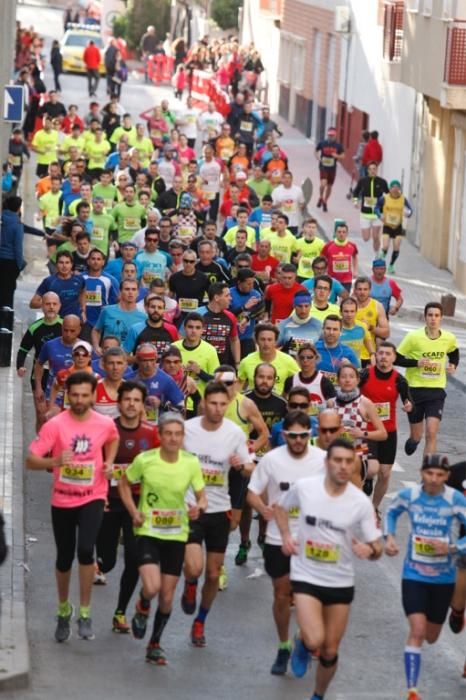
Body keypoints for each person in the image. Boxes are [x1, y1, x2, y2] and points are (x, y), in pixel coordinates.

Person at [274, 439, 382, 699]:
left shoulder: (359, 502)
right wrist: (287, 535)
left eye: (349, 461)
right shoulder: (306, 488)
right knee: (314, 641)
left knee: (330, 650)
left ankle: (318, 695)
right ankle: (302, 640)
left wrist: (371, 550)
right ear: (326, 463)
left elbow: (375, 545)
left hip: (340, 581)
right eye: (338, 460)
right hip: (306, 575)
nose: (343, 466)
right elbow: (279, 507)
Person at [26, 372, 119, 642]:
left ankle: (86, 613)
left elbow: (112, 438)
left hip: (93, 496)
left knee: (86, 550)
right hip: (63, 498)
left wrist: (108, 462)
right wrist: (54, 463)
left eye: (84, 395)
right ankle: (64, 609)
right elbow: (31, 460)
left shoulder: (104, 423)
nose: (79, 400)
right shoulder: (55, 425)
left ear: (93, 395)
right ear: (68, 395)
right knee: (64, 557)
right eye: (74, 395)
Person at [119, 411, 207, 664]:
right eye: (168, 433)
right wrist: (134, 511)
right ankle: (143, 603)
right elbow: (124, 483)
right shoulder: (145, 460)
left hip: (176, 534)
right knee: (152, 587)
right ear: (159, 435)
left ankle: (155, 643)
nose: (173, 438)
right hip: (148, 531)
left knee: (167, 597)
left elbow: (202, 496)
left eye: (178, 434)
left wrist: (198, 507)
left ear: (183, 437)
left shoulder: (190, 463)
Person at [247, 411, 325, 675]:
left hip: (313, 540)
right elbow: (252, 493)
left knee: (311, 596)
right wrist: (263, 507)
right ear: (284, 435)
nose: (299, 441)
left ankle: (302, 640)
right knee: (282, 594)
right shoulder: (271, 460)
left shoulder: (323, 460)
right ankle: (283, 645)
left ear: (310, 435)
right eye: (293, 436)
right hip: (277, 537)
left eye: (304, 435)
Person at [384, 453, 466, 700]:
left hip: (445, 575)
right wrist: (388, 537)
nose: (433, 479)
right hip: (415, 574)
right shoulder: (413, 496)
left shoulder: (456, 500)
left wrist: (451, 548)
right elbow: (391, 511)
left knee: (431, 636)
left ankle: (455, 612)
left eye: (439, 475)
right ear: (422, 473)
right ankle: (412, 691)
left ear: (445, 477)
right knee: (418, 631)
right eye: (429, 473)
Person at [180, 382, 254, 647]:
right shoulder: (187, 430)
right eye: (213, 403)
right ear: (204, 404)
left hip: (219, 508)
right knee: (194, 567)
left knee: (213, 574)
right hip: (190, 507)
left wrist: (240, 466)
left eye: (223, 404)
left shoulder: (234, 433)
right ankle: (190, 582)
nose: (218, 409)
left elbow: (249, 468)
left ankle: (200, 620)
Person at [95, 381, 160, 631]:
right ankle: (99, 563)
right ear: (119, 403)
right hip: (109, 501)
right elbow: (93, 465)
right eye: (127, 399)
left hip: (137, 504)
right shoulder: (106, 430)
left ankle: (120, 612)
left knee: (133, 558)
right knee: (108, 561)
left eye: (136, 400)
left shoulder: (150, 434)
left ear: (142, 404)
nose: (131, 404)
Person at [396, 302, 459, 457]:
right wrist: (416, 363)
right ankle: (413, 440)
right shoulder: (413, 337)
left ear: (441, 318)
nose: (433, 319)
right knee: (417, 436)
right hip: (415, 390)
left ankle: (427, 474)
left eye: (436, 315)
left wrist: (453, 365)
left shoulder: (448, 338)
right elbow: (396, 358)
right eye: (430, 315)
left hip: (436, 391)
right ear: (425, 317)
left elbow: (454, 352)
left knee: (431, 433)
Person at [360, 342, 412, 513]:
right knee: (371, 469)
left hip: (388, 431)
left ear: (394, 358)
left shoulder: (399, 380)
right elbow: (353, 393)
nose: (383, 357)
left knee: (385, 473)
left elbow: (408, 400)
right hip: (366, 430)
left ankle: (374, 508)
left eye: (388, 354)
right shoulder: (366, 374)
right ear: (376, 356)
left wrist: (408, 406)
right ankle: (367, 479)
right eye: (380, 353)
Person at [335, 363, 387, 493]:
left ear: (357, 380)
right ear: (338, 380)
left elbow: (383, 434)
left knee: (352, 496)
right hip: (335, 455)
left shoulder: (365, 403)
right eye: (344, 377)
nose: (347, 380)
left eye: (351, 376)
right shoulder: (331, 402)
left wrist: (362, 433)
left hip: (358, 453)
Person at [16, 292, 62, 429]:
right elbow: (23, 349)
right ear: (42, 306)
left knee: (57, 416)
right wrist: (20, 366)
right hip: (40, 374)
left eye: (54, 304)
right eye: (48, 304)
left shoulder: (65, 326)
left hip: (60, 375)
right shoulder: (35, 328)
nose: (51, 307)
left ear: (59, 306)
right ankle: (41, 448)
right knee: (42, 415)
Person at [127, 343, 184, 423]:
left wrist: (161, 404)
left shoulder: (166, 380)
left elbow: (181, 408)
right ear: (138, 360)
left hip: (158, 429)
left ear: (156, 359)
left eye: (151, 360)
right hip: (133, 427)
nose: (148, 364)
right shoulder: (128, 380)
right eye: (145, 360)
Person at [238, 322, 299, 395]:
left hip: (278, 404)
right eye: (262, 339)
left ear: (275, 342)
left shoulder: (288, 361)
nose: (266, 344)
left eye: (269, 340)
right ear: (256, 341)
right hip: (253, 404)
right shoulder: (246, 361)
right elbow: (238, 387)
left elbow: (301, 382)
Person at [91, 278, 147, 350]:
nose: (130, 292)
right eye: (127, 289)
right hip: (109, 355)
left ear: (138, 293)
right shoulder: (107, 311)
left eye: (133, 289)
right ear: (120, 292)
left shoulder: (143, 317)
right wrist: (96, 347)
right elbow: (96, 330)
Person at [283, 342, 336, 412]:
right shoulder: (290, 381)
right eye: (302, 357)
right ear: (298, 359)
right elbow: (283, 403)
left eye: (309, 357)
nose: (305, 361)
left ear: (316, 358)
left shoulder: (325, 383)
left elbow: (334, 407)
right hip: (295, 421)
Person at [375, 179, 413, 274]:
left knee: (396, 248)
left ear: (399, 189)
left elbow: (410, 210)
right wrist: (380, 215)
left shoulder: (403, 199)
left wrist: (408, 213)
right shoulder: (385, 198)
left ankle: (391, 266)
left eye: (397, 187)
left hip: (398, 227)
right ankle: (380, 258)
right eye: (393, 187)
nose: (395, 189)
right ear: (390, 188)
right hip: (387, 225)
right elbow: (376, 208)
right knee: (386, 246)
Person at [352, 161, 388, 254]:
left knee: (376, 237)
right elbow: (355, 192)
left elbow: (388, 195)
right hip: (365, 214)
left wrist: (386, 206)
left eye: (374, 169)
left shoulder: (382, 182)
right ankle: (369, 232)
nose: (372, 171)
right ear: (367, 170)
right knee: (366, 238)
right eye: (370, 169)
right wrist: (355, 202)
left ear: (377, 170)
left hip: (377, 214)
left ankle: (377, 255)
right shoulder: (363, 181)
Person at [315, 315, 360, 384]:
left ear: (341, 331)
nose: (331, 332)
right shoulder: (313, 349)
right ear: (323, 329)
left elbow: (358, 379)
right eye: (328, 328)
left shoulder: (349, 352)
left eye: (335, 329)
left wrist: (350, 367)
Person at [0, 196, 26, 308]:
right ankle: (5, 320)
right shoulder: (17, 225)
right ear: (18, 208)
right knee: (8, 292)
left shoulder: (2, 219)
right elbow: (18, 248)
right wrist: (20, 264)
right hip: (10, 261)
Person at [321, 222, 358, 293]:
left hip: (347, 280)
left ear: (347, 233)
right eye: (339, 232)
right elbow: (322, 259)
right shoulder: (328, 246)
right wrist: (324, 272)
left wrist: (355, 271)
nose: (341, 234)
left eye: (344, 232)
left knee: (345, 301)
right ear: (335, 233)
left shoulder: (352, 245)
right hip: (332, 280)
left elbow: (355, 256)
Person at [315, 127, 345, 212]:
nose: (330, 137)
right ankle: (320, 197)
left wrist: (337, 156)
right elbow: (316, 150)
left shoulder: (338, 145)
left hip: (332, 168)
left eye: (332, 135)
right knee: (323, 184)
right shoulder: (322, 143)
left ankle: (325, 201)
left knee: (329, 186)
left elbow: (343, 155)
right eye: (329, 135)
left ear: (335, 136)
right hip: (323, 166)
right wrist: (318, 157)